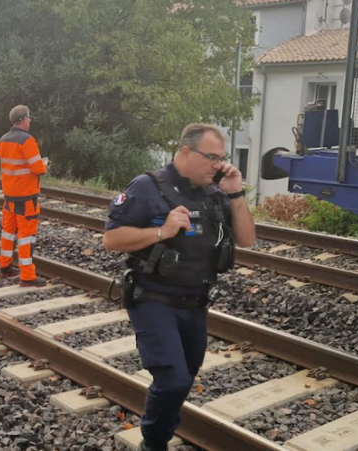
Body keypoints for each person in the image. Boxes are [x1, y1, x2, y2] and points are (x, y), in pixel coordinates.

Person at [102, 123, 256, 451]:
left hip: (195, 302)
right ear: (186, 152)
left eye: (222, 158)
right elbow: (111, 239)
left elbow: (247, 239)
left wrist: (236, 191)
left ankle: (159, 431)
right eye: (211, 157)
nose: (218, 165)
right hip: (153, 298)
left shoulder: (214, 194)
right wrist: (161, 232)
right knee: (172, 379)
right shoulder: (147, 187)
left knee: (184, 378)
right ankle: (153, 443)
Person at [0, 105, 48, 287]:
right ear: (24, 120)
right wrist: (44, 165)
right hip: (26, 197)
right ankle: (27, 276)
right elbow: (37, 168)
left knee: (8, 232)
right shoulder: (27, 140)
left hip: (9, 196)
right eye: (29, 118)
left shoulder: (3, 139)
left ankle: (4, 267)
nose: (30, 121)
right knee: (26, 236)